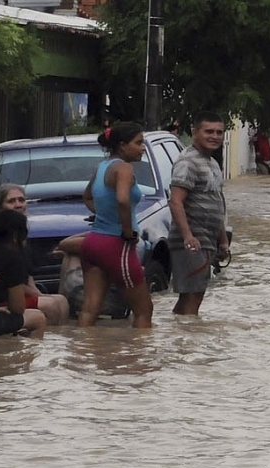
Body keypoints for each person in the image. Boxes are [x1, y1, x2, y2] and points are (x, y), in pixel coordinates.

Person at [78, 122, 153, 328]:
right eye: (138, 143)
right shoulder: (124, 168)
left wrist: (104, 214)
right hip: (116, 245)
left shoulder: (102, 166)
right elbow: (122, 199)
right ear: (122, 145)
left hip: (93, 242)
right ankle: (141, 359)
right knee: (144, 311)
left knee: (89, 309)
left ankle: (83, 353)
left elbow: (87, 196)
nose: (143, 148)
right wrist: (127, 233)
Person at [168, 112, 231, 316]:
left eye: (219, 132)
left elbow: (217, 204)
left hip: (206, 240)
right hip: (192, 240)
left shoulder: (212, 163)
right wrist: (188, 236)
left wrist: (222, 240)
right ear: (195, 133)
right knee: (192, 296)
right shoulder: (188, 161)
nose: (215, 136)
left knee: (193, 295)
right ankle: (187, 343)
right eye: (209, 131)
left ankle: (181, 338)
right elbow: (176, 201)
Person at [0, 184, 69, 325]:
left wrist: (39, 293)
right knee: (51, 305)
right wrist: (38, 296)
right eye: (11, 201)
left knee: (61, 300)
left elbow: (27, 275)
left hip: (19, 290)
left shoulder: (21, 235)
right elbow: (12, 280)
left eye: (21, 200)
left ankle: (58, 342)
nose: (18, 205)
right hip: (3, 296)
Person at [0, 210, 47, 338]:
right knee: (38, 318)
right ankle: (26, 357)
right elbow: (18, 308)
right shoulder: (11, 258)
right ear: (15, 236)